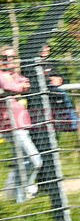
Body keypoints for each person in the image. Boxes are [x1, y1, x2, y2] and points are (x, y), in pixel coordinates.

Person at [1, 45, 42, 201]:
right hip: (11, 125)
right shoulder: (1, 75)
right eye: (5, 57)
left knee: (23, 163)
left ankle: (18, 200)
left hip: (22, 123)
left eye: (11, 57)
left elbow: (26, 82)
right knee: (35, 161)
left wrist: (19, 87)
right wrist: (19, 88)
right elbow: (6, 86)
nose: (9, 60)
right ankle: (28, 188)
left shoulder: (13, 74)